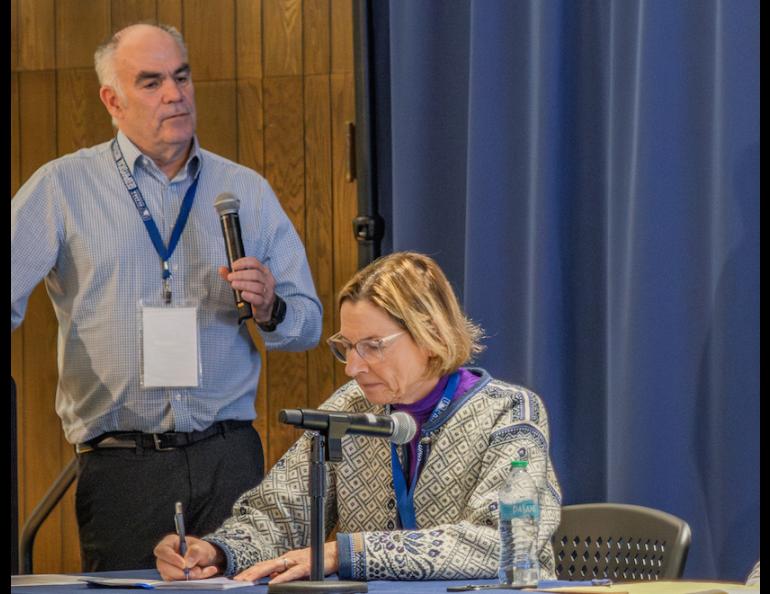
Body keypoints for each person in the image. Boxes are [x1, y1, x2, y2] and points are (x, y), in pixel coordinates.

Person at [10, 23, 322, 571]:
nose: (175, 95)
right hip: (123, 467)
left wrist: (272, 306)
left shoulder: (243, 190)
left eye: (181, 77)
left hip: (229, 455)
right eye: (151, 82)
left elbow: (309, 324)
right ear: (113, 99)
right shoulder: (61, 188)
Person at [154, 251, 562, 583]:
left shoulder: (509, 413)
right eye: (346, 346)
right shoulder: (350, 408)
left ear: (431, 336)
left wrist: (346, 552)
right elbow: (281, 512)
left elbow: (500, 542)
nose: (352, 367)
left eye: (372, 346)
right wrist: (218, 551)